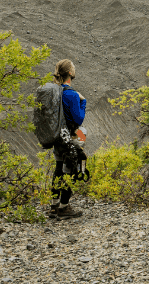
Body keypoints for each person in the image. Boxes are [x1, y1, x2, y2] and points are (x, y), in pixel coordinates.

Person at [51, 59, 87, 218]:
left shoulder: (54, 92)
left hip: (56, 136)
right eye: (73, 68)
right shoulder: (71, 94)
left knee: (58, 168)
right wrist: (83, 101)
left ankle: (54, 206)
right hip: (70, 135)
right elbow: (78, 119)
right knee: (70, 169)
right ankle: (64, 207)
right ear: (70, 73)